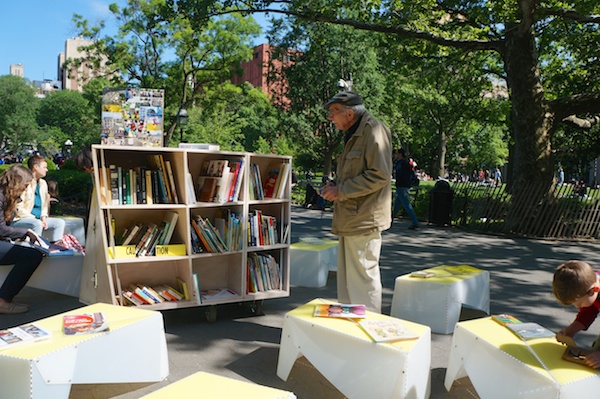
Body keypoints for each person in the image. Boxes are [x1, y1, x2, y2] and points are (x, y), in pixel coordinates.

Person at [320, 91, 392, 313]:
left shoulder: (373, 130)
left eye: (334, 112)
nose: (330, 118)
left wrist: (340, 190)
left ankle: (369, 331)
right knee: (348, 283)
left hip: (363, 219)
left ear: (349, 113)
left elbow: (380, 175)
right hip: (352, 218)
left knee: (362, 280)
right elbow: (359, 173)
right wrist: (335, 185)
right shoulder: (356, 132)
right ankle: (353, 330)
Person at [0, 165, 47, 314]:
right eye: (25, 185)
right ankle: (3, 301)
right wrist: (25, 232)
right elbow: (1, 229)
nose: (27, 190)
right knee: (31, 256)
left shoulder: (7, 197)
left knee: (31, 253)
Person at [552, 260, 600, 368]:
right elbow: (590, 309)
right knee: (594, 357)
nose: (578, 307)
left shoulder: (591, 290)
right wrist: (573, 329)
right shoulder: (589, 284)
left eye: (580, 303)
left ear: (594, 290)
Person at [13, 155, 65, 243]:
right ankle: (37, 249)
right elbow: (18, 208)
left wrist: (43, 218)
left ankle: (55, 247)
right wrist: (34, 219)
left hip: (38, 219)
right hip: (21, 219)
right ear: (36, 167)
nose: (47, 170)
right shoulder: (24, 182)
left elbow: (44, 206)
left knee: (59, 223)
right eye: (44, 167)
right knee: (36, 224)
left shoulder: (43, 183)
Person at [392, 148, 419, 229]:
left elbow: (399, 174)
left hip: (401, 185)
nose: (395, 155)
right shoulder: (406, 163)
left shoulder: (399, 163)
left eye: (396, 153)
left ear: (400, 154)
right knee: (397, 204)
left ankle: (415, 222)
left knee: (406, 205)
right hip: (406, 185)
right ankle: (390, 219)